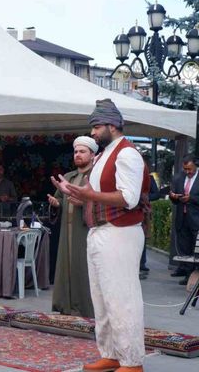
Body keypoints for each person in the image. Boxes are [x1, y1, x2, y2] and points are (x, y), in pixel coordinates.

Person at [54, 99, 149, 372]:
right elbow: (98, 198)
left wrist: (88, 193)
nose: (93, 133)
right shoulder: (106, 153)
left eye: (96, 127)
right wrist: (77, 197)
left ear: (112, 125)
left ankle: (132, 362)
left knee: (121, 298)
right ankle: (111, 354)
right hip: (100, 233)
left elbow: (128, 198)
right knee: (102, 299)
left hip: (119, 234)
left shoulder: (127, 154)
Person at [49, 136, 97, 318]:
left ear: (92, 155)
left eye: (82, 151)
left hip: (85, 231)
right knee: (66, 267)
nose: (78, 155)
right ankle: (64, 306)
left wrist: (83, 204)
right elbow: (61, 200)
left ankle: (85, 310)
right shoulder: (68, 177)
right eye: (76, 151)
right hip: (66, 231)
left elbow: (102, 204)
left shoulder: (96, 176)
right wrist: (55, 203)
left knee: (83, 269)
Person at [169, 154, 199, 286]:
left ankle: (196, 276)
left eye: (190, 169)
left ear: (196, 165)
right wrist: (174, 196)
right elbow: (174, 199)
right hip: (182, 218)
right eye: (185, 169)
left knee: (196, 248)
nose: (188, 172)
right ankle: (188, 275)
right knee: (185, 249)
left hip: (196, 219)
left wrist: (191, 199)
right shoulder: (179, 178)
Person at [139, 155, 160, 280]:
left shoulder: (149, 178)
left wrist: (146, 198)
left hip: (144, 212)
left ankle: (142, 264)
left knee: (142, 238)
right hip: (130, 211)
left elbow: (156, 194)